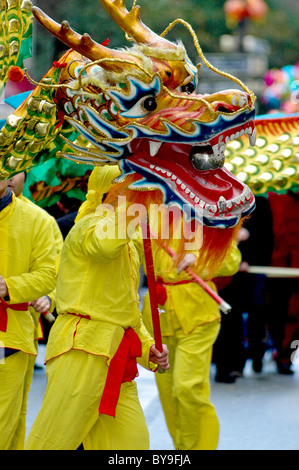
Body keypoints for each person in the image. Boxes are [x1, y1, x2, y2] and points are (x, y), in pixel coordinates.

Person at [25, 165, 169, 450]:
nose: (139, 199)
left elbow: (126, 309)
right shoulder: (87, 226)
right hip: (83, 350)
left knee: (132, 445)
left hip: (116, 353)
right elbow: (103, 246)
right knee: (54, 441)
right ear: (109, 194)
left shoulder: (126, 244)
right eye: (129, 190)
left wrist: (147, 347)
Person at [135, 208, 242, 450]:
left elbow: (231, 258)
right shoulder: (145, 211)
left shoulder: (205, 210)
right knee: (169, 393)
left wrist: (200, 257)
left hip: (198, 312)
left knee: (188, 387)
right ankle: (183, 450)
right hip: (158, 313)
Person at [0, 178, 58, 450]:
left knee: (6, 426)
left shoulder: (38, 220)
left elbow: (50, 275)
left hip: (7, 338)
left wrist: (9, 286)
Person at [267, 191, 299, 375]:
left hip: (289, 269)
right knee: (276, 314)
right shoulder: (274, 197)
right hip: (276, 269)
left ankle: (286, 356)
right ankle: (279, 351)